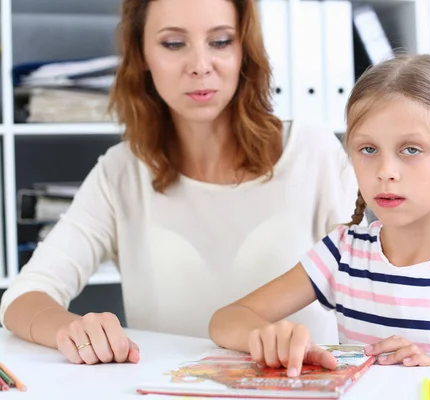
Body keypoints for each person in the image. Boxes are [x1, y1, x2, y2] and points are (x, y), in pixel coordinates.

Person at [0, 0, 358, 365]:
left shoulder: (313, 154)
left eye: (220, 42)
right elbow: (24, 296)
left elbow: (378, 279)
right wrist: (71, 330)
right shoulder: (120, 173)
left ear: (244, 51)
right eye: (173, 44)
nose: (201, 67)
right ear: (141, 54)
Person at [209, 53, 430, 378]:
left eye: (411, 150)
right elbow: (226, 320)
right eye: (368, 149)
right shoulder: (343, 253)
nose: (386, 171)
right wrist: (272, 337)